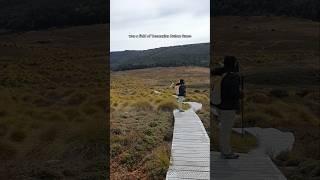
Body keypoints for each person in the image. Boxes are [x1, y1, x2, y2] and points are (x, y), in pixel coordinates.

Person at [212, 56, 241, 159]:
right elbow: (233, 94)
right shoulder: (233, 77)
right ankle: (226, 152)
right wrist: (240, 95)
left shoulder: (222, 74)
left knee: (224, 129)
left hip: (220, 106)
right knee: (226, 131)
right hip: (228, 108)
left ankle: (225, 151)